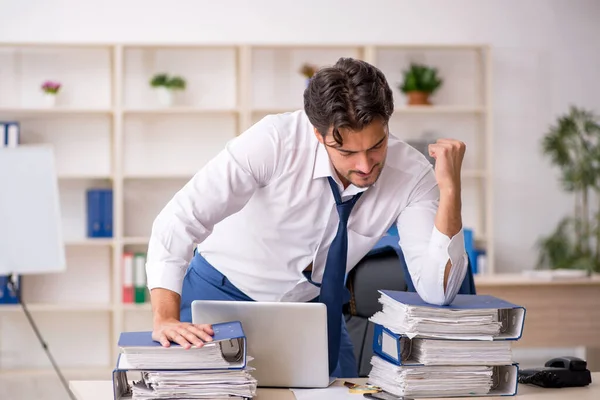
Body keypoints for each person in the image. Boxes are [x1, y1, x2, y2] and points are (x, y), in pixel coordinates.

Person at [145, 57, 469, 379]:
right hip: (220, 292)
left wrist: (450, 190)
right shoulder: (274, 141)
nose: (366, 165)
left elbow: (437, 290)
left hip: (314, 311)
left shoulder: (412, 175)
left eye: (377, 145)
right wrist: (165, 318)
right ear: (317, 133)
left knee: (341, 388)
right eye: (346, 153)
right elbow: (179, 219)